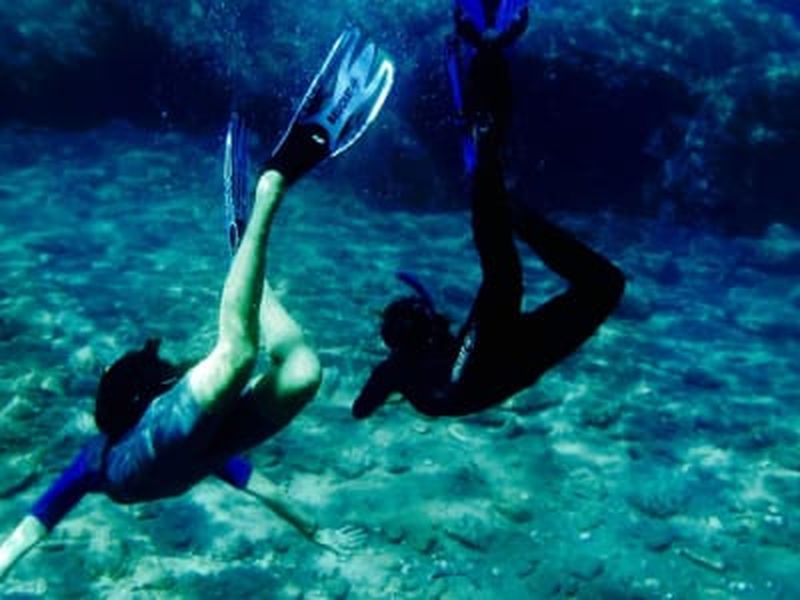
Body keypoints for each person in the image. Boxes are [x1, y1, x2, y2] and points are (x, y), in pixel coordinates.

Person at [0, 26, 394, 581]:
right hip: (197, 443)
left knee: (237, 355)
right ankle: (245, 243)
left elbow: (25, 532)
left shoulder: (98, 461)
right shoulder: (183, 456)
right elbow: (264, 489)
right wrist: (315, 531)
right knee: (304, 372)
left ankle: (268, 193)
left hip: (176, 434)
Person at [351, 1, 625, 419]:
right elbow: (365, 405)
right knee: (534, 280)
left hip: (501, 362)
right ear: (413, 337)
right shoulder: (405, 369)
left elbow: (360, 410)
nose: (431, 318)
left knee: (591, 285)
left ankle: (503, 188)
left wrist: (390, 380)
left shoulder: (405, 369)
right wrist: (392, 376)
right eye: (420, 317)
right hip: (476, 375)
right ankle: (501, 184)